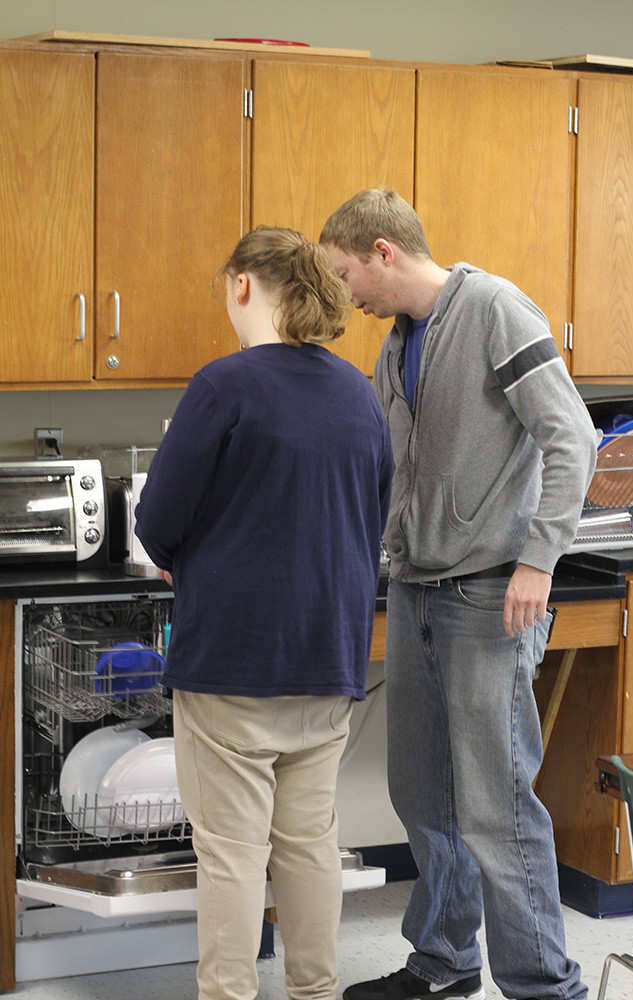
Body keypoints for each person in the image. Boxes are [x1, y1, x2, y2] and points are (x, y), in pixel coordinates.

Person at [320, 190, 598, 1000]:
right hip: (414, 590)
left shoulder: (494, 310)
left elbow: (570, 435)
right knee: (421, 791)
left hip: (490, 593)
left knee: (495, 804)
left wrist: (539, 560)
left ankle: (545, 984)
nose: (347, 296)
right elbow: (388, 472)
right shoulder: (395, 344)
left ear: (381, 251)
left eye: (346, 275)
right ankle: (443, 962)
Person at [135, 225, 393, 1000]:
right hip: (329, 656)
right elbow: (369, 516)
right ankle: (315, 992)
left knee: (232, 854)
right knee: (311, 845)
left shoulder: (224, 385)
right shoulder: (356, 390)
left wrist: (188, 553)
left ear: (242, 284)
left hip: (234, 662)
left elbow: (156, 522)